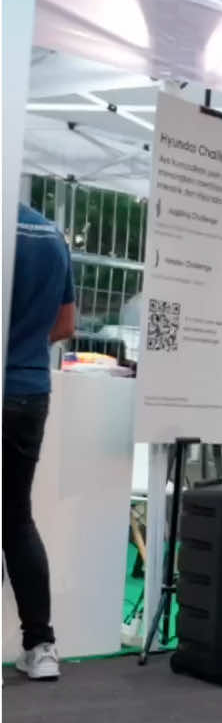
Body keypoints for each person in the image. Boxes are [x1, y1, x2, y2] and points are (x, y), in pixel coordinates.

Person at [4, 203, 78, 680]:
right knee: (14, 516)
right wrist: (25, 344)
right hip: (28, 391)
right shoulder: (48, 233)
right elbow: (66, 324)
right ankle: (41, 646)